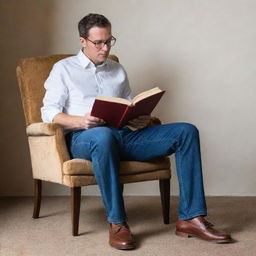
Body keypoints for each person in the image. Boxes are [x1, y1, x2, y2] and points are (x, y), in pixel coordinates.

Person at [41, 13, 231, 250]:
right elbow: (49, 113)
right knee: (103, 135)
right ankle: (118, 223)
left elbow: (126, 107)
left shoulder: (118, 70)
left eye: (109, 41)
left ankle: (191, 218)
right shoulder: (63, 69)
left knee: (186, 131)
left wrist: (138, 119)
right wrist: (81, 121)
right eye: (98, 42)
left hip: (122, 135)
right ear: (82, 42)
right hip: (84, 138)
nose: (105, 47)